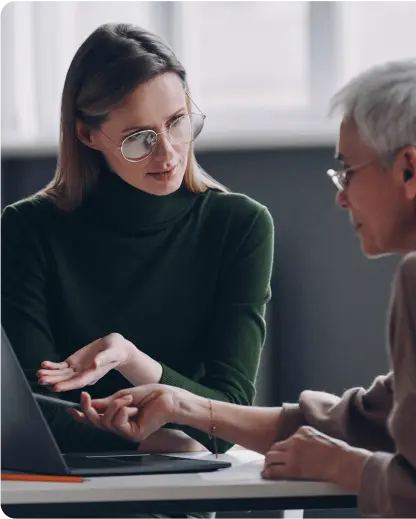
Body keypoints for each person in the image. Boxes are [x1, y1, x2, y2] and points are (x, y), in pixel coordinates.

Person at [72, 56, 416, 519]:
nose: (340, 194)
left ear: (409, 171)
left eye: (348, 170)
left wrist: (343, 464)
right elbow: (361, 421)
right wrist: (183, 404)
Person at [0, 21, 273, 519]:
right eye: (138, 139)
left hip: (179, 502)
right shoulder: (27, 229)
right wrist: (164, 436)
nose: (168, 153)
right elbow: (30, 417)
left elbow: (228, 412)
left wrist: (130, 358)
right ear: (88, 134)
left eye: (178, 122)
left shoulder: (239, 226)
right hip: (57, 498)